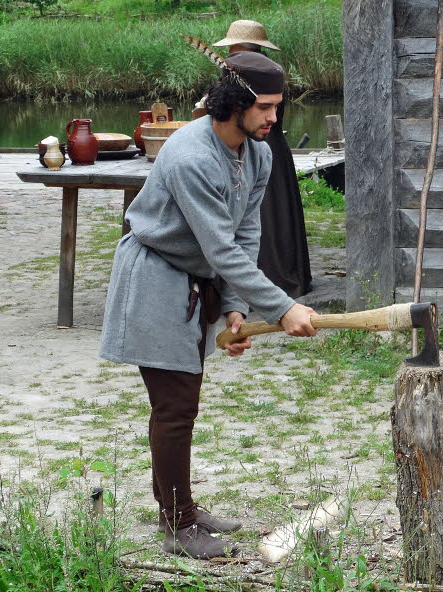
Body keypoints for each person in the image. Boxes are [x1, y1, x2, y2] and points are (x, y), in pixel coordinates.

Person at [99, 52, 317, 559]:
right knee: (174, 406)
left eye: (277, 107)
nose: (273, 119)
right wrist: (282, 308)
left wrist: (237, 306)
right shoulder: (190, 156)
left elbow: (245, 233)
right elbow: (220, 247)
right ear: (234, 103)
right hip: (154, 276)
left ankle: (184, 509)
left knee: (183, 402)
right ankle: (177, 524)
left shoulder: (257, 152)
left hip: (198, 282)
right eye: (264, 107)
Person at [213, 19, 312, 298]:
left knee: (261, 215)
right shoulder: (268, 71)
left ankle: (262, 284)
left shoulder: (246, 74)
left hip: (257, 144)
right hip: (274, 146)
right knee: (272, 214)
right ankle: (282, 279)